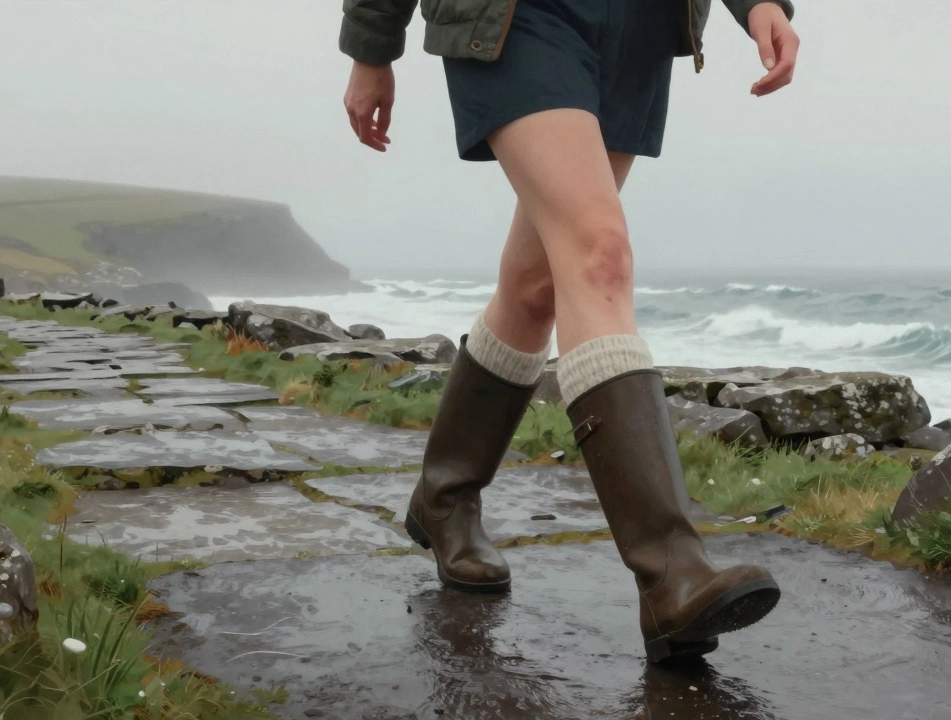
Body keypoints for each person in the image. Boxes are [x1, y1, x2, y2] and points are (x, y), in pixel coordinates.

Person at [339, 0, 799, 664]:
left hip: (636, 28)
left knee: (539, 288)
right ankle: (670, 572)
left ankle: (446, 495)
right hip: (517, 17)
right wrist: (372, 46)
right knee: (598, 253)